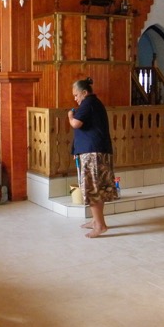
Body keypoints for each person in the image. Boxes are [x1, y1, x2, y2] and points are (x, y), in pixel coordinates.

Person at [68, 77, 116, 238]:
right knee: (96, 188)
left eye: (76, 95)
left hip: (93, 153)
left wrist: (70, 116)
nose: (75, 99)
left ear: (84, 92)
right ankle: (96, 221)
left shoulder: (88, 103)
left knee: (92, 188)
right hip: (96, 150)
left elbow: (76, 124)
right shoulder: (93, 103)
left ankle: (100, 225)